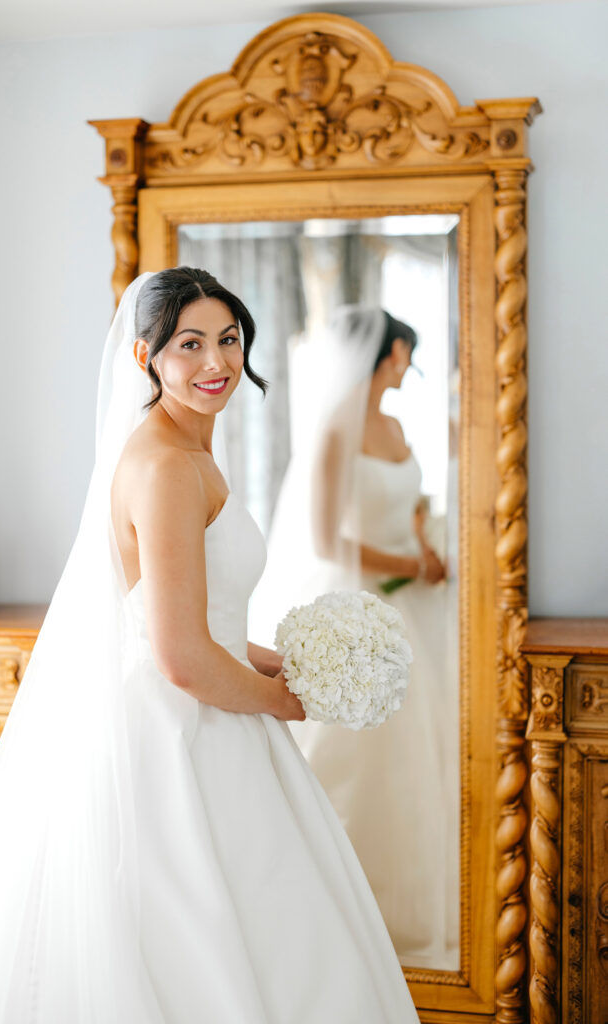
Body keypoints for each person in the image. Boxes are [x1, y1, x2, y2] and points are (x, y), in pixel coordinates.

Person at [0, 270, 419, 1022]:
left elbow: (193, 616)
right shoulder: (162, 467)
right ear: (144, 357)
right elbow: (182, 656)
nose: (215, 362)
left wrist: (278, 660)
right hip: (178, 729)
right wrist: (290, 703)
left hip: (208, 703)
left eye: (228, 339)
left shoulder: (189, 452)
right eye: (189, 344)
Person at [249, 305, 459, 969]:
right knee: (359, 763)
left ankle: (413, 910)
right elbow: (324, 539)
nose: (407, 370)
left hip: (418, 610)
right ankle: (341, 911)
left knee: (423, 762)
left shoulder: (397, 424)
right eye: (407, 357)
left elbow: (412, 503)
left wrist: (425, 543)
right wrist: (408, 564)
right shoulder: (333, 428)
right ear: (391, 353)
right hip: (366, 609)